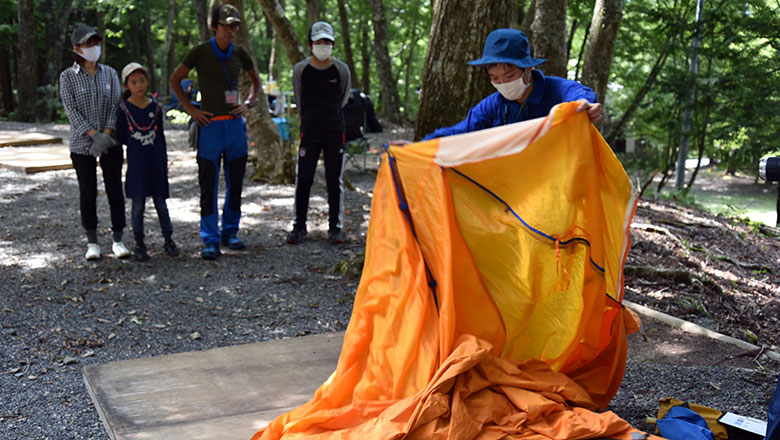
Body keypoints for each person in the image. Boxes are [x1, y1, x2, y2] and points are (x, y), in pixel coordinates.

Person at [169, 4, 261, 260]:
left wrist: (248, 104)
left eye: (235, 27)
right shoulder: (200, 51)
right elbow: (175, 79)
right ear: (215, 26)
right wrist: (191, 110)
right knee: (208, 185)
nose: (231, 31)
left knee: (235, 184)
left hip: (234, 127)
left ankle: (230, 232)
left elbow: (256, 81)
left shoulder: (240, 53)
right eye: (226, 26)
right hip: (209, 127)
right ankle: (209, 239)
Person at [422, 28, 602, 141]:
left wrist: (583, 104)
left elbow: (576, 92)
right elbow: (457, 133)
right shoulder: (491, 106)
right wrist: (416, 148)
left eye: (509, 76)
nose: (503, 84)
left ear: (528, 68)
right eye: (495, 78)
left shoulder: (553, 89)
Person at [59, 23, 129, 261]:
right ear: (77, 48)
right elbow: (72, 110)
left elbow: (115, 105)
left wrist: (105, 136)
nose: (93, 48)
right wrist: (92, 135)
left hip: (110, 141)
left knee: (114, 190)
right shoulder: (67, 77)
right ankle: (92, 242)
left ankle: (118, 239)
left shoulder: (109, 72)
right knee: (87, 192)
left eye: (95, 43)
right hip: (81, 145)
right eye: (88, 44)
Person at [286, 21, 351, 245]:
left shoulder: (341, 70)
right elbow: (298, 97)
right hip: (309, 132)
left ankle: (335, 228)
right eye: (319, 41)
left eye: (327, 42)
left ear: (333, 44)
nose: (323, 46)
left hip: (334, 131)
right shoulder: (300, 70)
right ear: (310, 43)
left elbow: (343, 98)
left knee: (334, 180)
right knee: (304, 179)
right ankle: (299, 226)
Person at [116, 62, 179, 261]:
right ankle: (139, 243)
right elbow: (122, 137)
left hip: (156, 163)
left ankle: (168, 239)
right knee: (138, 205)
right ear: (127, 86)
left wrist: (164, 161)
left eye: (142, 81)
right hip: (137, 164)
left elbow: (160, 137)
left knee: (161, 203)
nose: (139, 86)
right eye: (134, 82)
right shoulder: (124, 110)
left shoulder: (156, 108)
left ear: (148, 81)